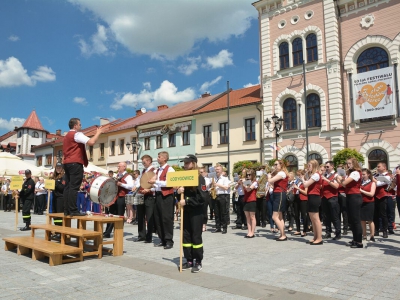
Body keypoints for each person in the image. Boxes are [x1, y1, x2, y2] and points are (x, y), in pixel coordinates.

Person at [63, 118, 103, 216]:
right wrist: (98, 133)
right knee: (74, 187)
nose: (81, 126)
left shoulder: (66, 136)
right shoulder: (77, 134)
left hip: (67, 163)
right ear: (75, 126)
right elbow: (91, 142)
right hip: (75, 162)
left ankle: (67, 210)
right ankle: (73, 210)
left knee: (68, 187)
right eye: (80, 124)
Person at [178, 154, 208, 273]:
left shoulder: (199, 178)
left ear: (193, 163)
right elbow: (180, 197)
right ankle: (189, 259)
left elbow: (203, 197)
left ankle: (198, 261)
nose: (185, 165)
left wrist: (188, 201)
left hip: (196, 211)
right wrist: (178, 191)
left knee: (196, 236)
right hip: (186, 211)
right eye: (184, 163)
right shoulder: (183, 176)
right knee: (186, 235)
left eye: (187, 163)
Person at [149, 151, 175, 249]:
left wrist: (155, 181)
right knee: (158, 218)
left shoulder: (170, 169)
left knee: (166, 218)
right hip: (158, 195)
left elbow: (169, 183)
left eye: (159, 157)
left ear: (164, 158)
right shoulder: (157, 170)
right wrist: (152, 185)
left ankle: (169, 240)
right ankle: (162, 239)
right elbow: (158, 185)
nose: (158, 158)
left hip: (167, 196)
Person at [337, 158, 363, 248]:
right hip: (349, 196)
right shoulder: (350, 173)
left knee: (356, 220)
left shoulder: (355, 173)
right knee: (351, 220)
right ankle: (355, 239)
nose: (347, 165)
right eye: (347, 163)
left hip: (355, 196)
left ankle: (359, 241)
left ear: (354, 164)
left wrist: (339, 178)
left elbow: (344, 184)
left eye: (349, 164)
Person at [103, 162, 134, 238]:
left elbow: (131, 186)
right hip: (115, 197)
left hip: (122, 197)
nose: (118, 167)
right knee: (111, 214)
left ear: (124, 167)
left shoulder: (128, 176)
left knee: (120, 215)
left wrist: (121, 184)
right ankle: (107, 232)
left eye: (119, 166)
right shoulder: (118, 175)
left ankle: (118, 232)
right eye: (118, 166)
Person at [301, 160, 323, 245]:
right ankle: (315, 236)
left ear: (314, 166)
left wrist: (303, 179)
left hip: (315, 197)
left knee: (316, 219)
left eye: (309, 166)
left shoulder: (316, 175)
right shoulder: (313, 175)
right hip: (311, 196)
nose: (307, 167)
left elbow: (306, 185)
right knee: (312, 219)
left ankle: (319, 238)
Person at [136, 155, 157, 243]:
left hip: (150, 196)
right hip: (141, 195)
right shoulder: (143, 171)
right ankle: (141, 235)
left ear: (149, 161)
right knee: (140, 216)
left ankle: (149, 236)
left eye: (144, 162)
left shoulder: (155, 171)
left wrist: (149, 189)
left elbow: (156, 185)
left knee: (149, 217)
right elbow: (139, 181)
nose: (143, 164)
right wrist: (135, 186)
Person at [267, 160, 289, 241]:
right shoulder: (279, 173)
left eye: (276, 164)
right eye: (274, 164)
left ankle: (283, 235)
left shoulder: (281, 173)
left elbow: (270, 181)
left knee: (274, 216)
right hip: (277, 194)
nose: (274, 166)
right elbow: (272, 185)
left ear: (281, 165)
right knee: (280, 217)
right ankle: (282, 234)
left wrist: (269, 176)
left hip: (280, 194)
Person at [321, 161, 341, 240]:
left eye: (327, 167)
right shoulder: (325, 175)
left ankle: (338, 233)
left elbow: (336, 186)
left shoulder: (335, 175)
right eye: (325, 167)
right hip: (324, 197)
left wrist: (326, 180)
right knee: (326, 216)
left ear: (332, 166)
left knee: (335, 216)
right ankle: (328, 232)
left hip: (332, 197)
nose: (326, 168)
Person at [372, 161, 391, 238]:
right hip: (375, 196)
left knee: (383, 214)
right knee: (375, 214)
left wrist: (372, 178)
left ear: (384, 167)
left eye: (379, 166)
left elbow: (379, 184)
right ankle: (376, 230)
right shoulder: (376, 175)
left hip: (383, 196)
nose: (377, 168)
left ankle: (385, 230)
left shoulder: (387, 176)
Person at [211, 164, 231, 234]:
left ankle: (224, 228)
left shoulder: (225, 178)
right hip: (216, 195)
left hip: (223, 196)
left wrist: (218, 185)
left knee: (223, 213)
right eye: (216, 170)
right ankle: (218, 227)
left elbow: (226, 187)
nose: (217, 171)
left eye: (218, 169)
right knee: (216, 213)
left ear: (221, 170)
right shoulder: (214, 178)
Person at [360, 168, 376, 242]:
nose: (362, 176)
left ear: (368, 175)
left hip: (369, 203)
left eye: (364, 174)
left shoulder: (372, 183)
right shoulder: (361, 183)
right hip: (361, 203)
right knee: (362, 220)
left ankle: (372, 236)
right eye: (362, 174)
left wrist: (361, 191)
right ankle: (364, 235)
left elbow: (371, 194)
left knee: (370, 220)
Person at [293, 169, 309, 237]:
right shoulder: (297, 182)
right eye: (298, 175)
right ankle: (298, 229)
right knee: (296, 215)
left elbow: (306, 192)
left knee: (303, 215)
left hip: (303, 199)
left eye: (300, 175)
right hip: (296, 198)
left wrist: (298, 188)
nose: (298, 176)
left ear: (303, 175)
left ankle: (305, 230)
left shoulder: (306, 182)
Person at [243, 169, 258, 238]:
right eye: (247, 175)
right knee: (247, 217)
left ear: (252, 175)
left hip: (252, 200)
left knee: (252, 217)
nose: (248, 176)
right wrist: (241, 185)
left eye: (249, 175)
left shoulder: (255, 182)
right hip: (246, 200)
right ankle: (249, 231)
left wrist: (244, 184)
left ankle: (252, 232)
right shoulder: (246, 182)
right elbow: (244, 191)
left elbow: (249, 189)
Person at [51, 162, 66, 228]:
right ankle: (57, 230)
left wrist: (55, 183)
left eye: (59, 168)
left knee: (59, 214)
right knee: (55, 213)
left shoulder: (64, 177)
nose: (58, 169)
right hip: (55, 197)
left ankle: (60, 232)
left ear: (62, 168)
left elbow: (63, 188)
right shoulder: (55, 177)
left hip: (61, 198)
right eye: (57, 167)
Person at [337, 164, 349, 235]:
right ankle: (338, 228)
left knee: (344, 212)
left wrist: (340, 181)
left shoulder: (347, 177)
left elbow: (345, 186)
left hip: (344, 195)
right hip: (337, 194)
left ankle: (345, 228)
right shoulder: (337, 176)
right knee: (337, 212)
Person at [199, 167, 212, 232]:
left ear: (205, 173)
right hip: (198, 194)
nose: (200, 173)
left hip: (205, 194)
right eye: (199, 172)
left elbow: (204, 187)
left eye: (201, 172)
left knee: (204, 209)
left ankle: (204, 224)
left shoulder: (207, 179)